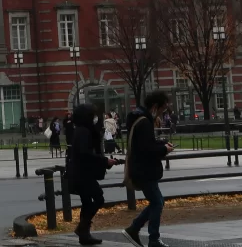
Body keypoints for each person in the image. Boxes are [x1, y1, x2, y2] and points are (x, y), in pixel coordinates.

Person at [123, 90, 174, 247]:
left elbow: (145, 144)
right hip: (145, 169)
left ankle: (135, 229)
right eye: (162, 108)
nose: (162, 112)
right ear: (155, 106)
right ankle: (152, 238)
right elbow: (147, 149)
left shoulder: (140, 119)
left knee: (156, 201)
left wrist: (161, 144)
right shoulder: (145, 122)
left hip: (141, 168)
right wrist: (164, 149)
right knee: (157, 202)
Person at [67, 104, 118, 246]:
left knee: (87, 202)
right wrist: (104, 161)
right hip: (83, 174)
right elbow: (86, 154)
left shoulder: (80, 130)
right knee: (98, 198)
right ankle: (82, 228)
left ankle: (84, 235)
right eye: (92, 115)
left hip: (79, 172)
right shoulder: (83, 132)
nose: (95, 118)